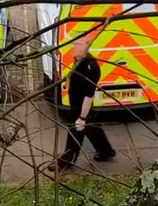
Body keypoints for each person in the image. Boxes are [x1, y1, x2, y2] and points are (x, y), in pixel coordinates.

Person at [49, 19, 116, 172]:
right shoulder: (79, 60)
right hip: (77, 104)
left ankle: (65, 162)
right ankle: (106, 151)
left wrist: (82, 117)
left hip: (81, 108)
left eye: (77, 44)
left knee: (75, 132)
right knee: (92, 129)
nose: (74, 46)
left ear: (86, 46)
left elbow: (89, 96)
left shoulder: (91, 68)